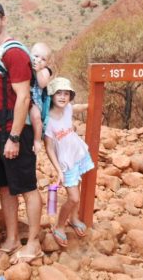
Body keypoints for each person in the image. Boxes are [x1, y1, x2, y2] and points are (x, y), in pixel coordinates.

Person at [0, 0, 43, 264]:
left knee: (27, 188)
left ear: (3, 20)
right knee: (5, 188)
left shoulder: (13, 53)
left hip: (15, 131)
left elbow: (24, 97)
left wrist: (14, 137)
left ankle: (35, 242)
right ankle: (13, 238)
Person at [42, 77, 94, 248]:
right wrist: (58, 170)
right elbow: (49, 148)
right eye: (59, 93)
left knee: (77, 187)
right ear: (52, 95)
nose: (63, 97)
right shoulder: (48, 120)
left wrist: (91, 104)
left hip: (77, 154)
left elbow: (76, 108)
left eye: (66, 94)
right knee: (73, 197)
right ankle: (59, 225)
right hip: (65, 163)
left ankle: (73, 218)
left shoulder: (68, 109)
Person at [29, 42, 53, 154]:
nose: (38, 60)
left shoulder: (45, 71)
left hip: (35, 100)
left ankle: (37, 140)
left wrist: (38, 71)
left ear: (47, 63)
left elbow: (42, 84)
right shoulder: (27, 65)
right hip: (24, 96)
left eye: (43, 59)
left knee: (36, 117)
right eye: (36, 56)